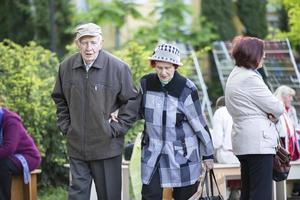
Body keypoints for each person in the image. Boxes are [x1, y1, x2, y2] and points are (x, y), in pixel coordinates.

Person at [51, 23, 139, 200]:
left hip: (107, 147)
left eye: (92, 42)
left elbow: (132, 101)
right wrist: (67, 127)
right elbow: (59, 99)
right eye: (84, 43)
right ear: (77, 43)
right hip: (77, 147)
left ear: (101, 43)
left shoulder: (118, 68)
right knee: (77, 196)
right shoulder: (65, 67)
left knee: (109, 196)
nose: (88, 48)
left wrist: (115, 129)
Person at [137, 43, 214, 200]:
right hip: (154, 152)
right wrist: (118, 112)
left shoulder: (186, 88)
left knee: (185, 197)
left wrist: (208, 155)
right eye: (159, 67)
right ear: (154, 65)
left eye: (168, 68)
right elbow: (135, 111)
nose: (163, 72)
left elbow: (199, 124)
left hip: (183, 155)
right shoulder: (146, 83)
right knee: (149, 195)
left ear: (175, 66)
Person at [225, 36, 284, 200]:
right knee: (261, 195)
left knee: (249, 193)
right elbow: (277, 108)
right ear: (253, 54)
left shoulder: (235, 75)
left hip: (244, 142)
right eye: (262, 53)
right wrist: (268, 114)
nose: (264, 56)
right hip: (258, 142)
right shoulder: (250, 78)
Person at [0, 104, 41, 200]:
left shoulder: (11, 121)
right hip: (11, 156)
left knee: (2, 164)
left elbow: (8, 149)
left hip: (29, 156)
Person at [274, 85, 300, 160]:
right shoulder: (276, 109)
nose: (291, 99)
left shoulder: (292, 110)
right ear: (283, 97)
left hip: (292, 147)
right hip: (280, 148)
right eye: (290, 96)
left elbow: (296, 126)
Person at [212, 96, 239, 164]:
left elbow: (218, 139)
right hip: (240, 154)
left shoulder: (219, 112)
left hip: (225, 153)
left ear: (219, 106)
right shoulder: (237, 110)